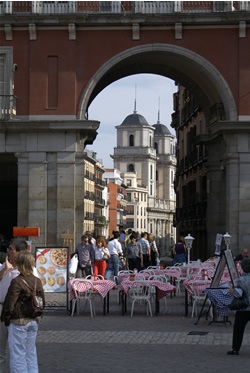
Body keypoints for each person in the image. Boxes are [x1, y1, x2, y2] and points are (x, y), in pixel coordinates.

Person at [1, 251, 45, 373]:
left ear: (20, 264)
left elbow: (10, 303)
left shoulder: (17, 281)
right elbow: (42, 301)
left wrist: (6, 318)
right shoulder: (37, 281)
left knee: (17, 355)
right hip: (33, 320)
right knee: (31, 353)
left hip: (18, 320)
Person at [227, 258, 250, 355]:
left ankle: (235, 349)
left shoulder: (240, 280)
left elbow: (238, 294)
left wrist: (231, 289)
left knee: (238, 329)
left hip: (243, 308)